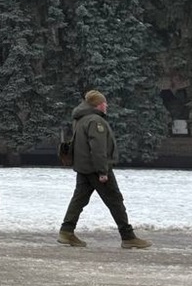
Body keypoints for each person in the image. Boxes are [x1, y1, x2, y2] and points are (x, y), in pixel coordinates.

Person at [58, 90, 152, 250]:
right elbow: (98, 148)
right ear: (97, 104)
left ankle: (66, 231)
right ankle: (128, 237)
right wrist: (103, 171)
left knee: (79, 200)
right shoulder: (96, 121)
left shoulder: (81, 119)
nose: (106, 105)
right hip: (96, 168)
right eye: (104, 103)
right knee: (115, 200)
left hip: (84, 168)